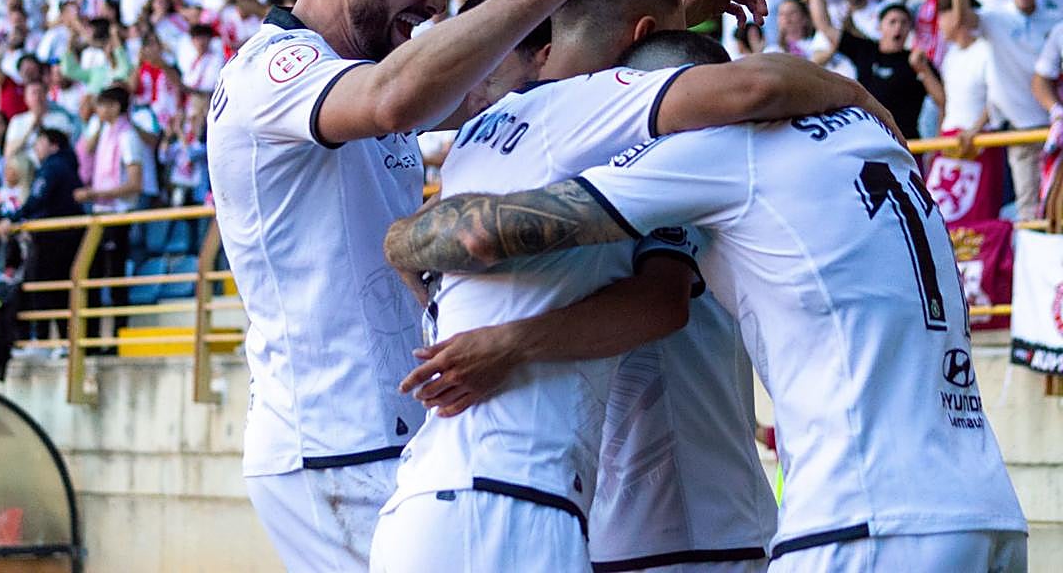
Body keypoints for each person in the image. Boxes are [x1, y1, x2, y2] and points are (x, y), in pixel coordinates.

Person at [385, 30, 1028, 573]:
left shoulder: (717, 150)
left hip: (862, 516)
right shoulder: (865, 134)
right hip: (985, 505)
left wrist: (399, 239)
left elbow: (486, 233)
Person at [206, 0, 685, 571]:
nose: (433, 4)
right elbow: (394, 100)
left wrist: (659, 22)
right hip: (336, 443)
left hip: (388, 431)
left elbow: (520, 76)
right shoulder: (271, 72)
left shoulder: (368, 72)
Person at [370, 0, 890, 571]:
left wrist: (403, 244)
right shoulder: (620, 129)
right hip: (571, 508)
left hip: (507, 498)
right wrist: (858, 97)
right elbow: (750, 86)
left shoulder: (485, 135)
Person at [947, 0, 1062, 219]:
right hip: (1020, 130)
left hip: (1056, 127)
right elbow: (961, 22)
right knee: (1028, 209)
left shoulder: (1055, 20)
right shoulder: (995, 17)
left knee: (1057, 207)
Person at [810, 0, 945, 140]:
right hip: (867, 140)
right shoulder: (865, 51)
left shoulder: (916, 60)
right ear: (879, 26)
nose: (898, 27)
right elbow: (825, 26)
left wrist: (923, 70)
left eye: (904, 23)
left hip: (903, 143)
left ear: (910, 29)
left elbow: (941, 100)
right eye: (892, 22)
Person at [0, 129, 84, 349]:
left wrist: (14, 218)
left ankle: (43, 341)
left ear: (53, 145)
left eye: (40, 142)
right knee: (59, 291)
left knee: (43, 289)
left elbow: (37, 198)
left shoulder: (53, 167)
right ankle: (64, 342)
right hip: (66, 237)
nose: (36, 147)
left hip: (53, 240)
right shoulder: (67, 165)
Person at [75, 85, 144, 352]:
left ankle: (116, 339)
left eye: (103, 105)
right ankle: (91, 340)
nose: (99, 110)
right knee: (91, 276)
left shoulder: (128, 136)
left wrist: (97, 193)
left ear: (116, 107)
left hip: (117, 213)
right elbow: (85, 149)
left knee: (115, 278)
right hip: (100, 213)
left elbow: (135, 182)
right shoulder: (104, 131)